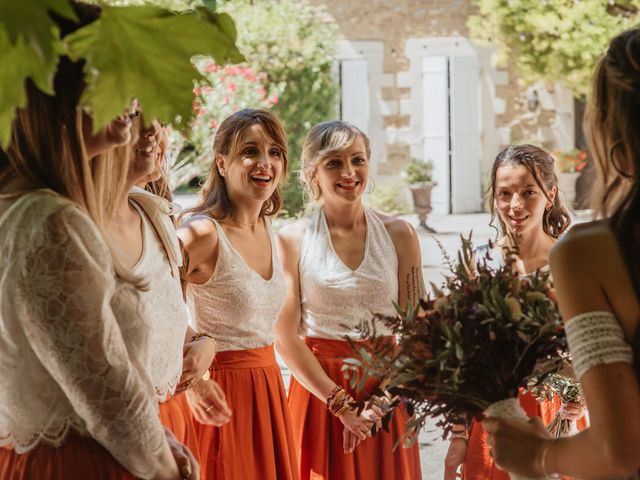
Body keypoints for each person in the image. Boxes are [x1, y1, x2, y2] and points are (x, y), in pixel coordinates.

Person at [0, 4, 193, 479]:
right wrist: (172, 471)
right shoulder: (50, 220)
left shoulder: (30, 206)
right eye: (108, 73)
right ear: (56, 92)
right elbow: (108, 395)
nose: (132, 94)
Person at [484, 28, 640, 479]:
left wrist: (537, 456)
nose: (515, 204)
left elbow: (620, 451)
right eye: (504, 193)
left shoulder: (586, 254)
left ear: (613, 135)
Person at [275, 120, 423, 480]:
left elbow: (419, 332)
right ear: (313, 173)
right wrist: (340, 406)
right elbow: (284, 336)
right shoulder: (291, 239)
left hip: (386, 392)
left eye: (357, 160)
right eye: (334, 163)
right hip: (319, 393)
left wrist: (379, 404)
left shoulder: (399, 234)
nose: (348, 172)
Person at [444, 144, 586, 480]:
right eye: (505, 193)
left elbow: (591, 345)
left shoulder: (572, 262)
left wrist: (582, 396)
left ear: (550, 195)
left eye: (528, 192)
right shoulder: (478, 263)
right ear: (494, 198)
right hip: (491, 421)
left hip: (554, 418)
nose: (516, 205)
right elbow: (460, 359)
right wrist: (458, 435)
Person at [178, 108, 298, 480]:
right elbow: (151, 306)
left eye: (274, 152)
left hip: (269, 388)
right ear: (222, 162)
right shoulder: (201, 233)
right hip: (220, 395)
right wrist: (194, 380)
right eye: (250, 151)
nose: (265, 162)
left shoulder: (268, 227)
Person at [107, 115, 232, 463]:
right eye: (134, 115)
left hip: (173, 417)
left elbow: (163, 313)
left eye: (160, 120)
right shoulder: (77, 227)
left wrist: (202, 346)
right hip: (123, 433)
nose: (154, 131)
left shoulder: (155, 214)